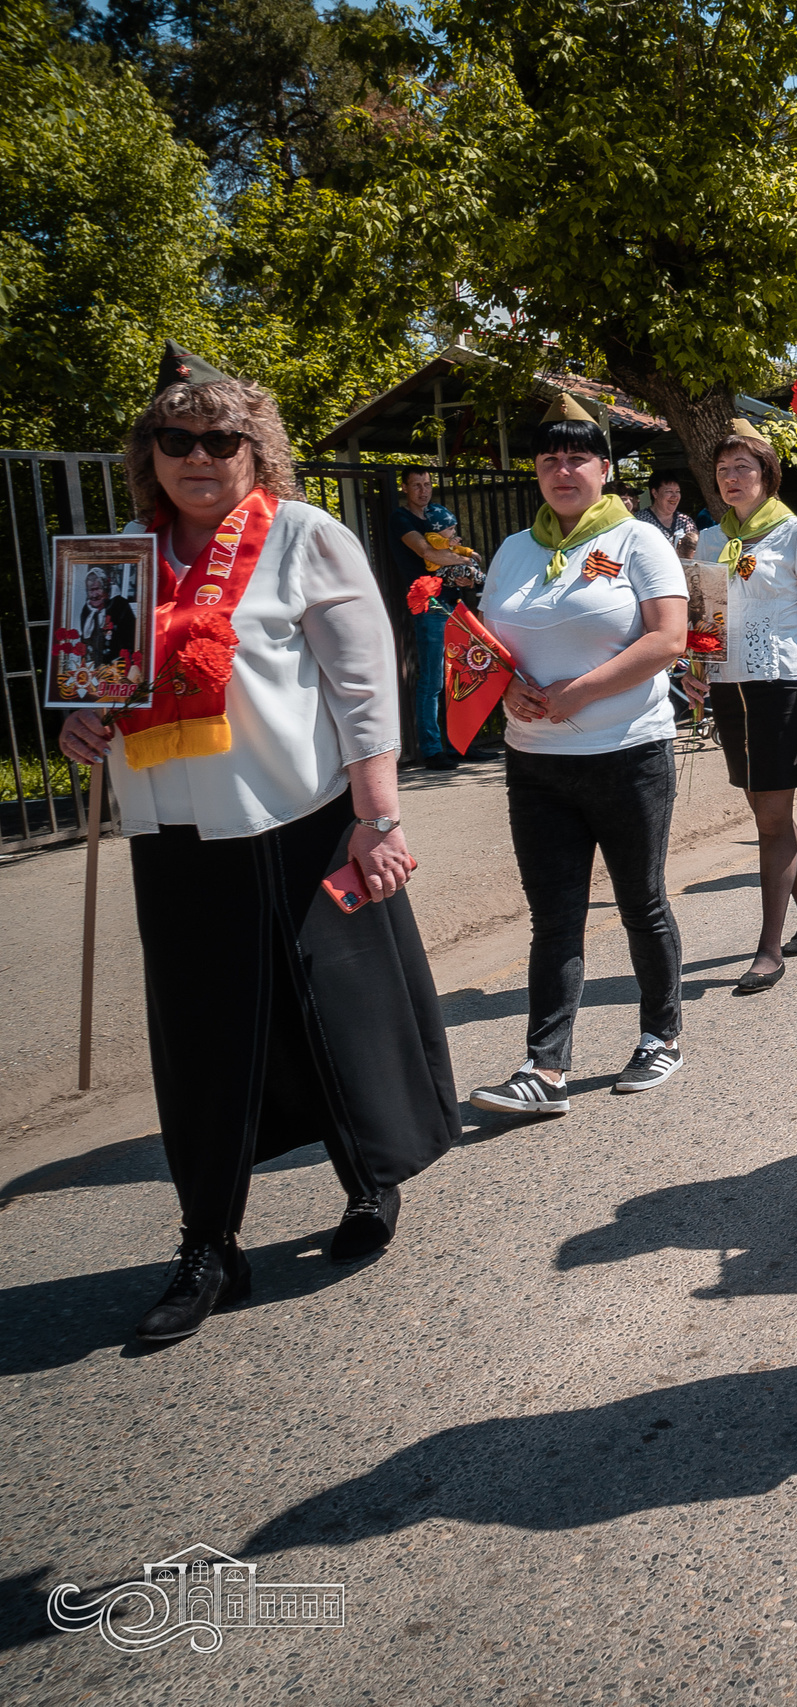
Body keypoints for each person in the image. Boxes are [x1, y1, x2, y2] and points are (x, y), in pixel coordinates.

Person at [58, 342, 456, 1339]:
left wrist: (378, 819)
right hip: (175, 836)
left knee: (333, 1015)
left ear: (255, 449)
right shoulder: (117, 557)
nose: (198, 456)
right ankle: (208, 1244)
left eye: (220, 439)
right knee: (199, 1045)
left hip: (308, 823)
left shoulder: (305, 538)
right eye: (176, 440)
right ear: (149, 453)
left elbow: (364, 692)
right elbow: (97, 683)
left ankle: (370, 1178)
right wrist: (77, 726)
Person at [467, 395, 692, 1116]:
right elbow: (493, 647)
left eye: (577, 457)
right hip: (535, 762)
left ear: (603, 468)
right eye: (549, 458)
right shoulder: (512, 550)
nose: (563, 470)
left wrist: (577, 692)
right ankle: (545, 1068)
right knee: (553, 917)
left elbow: (668, 640)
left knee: (641, 903)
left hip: (627, 753)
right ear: (535, 470)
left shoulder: (638, 542)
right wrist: (508, 695)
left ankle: (661, 1034)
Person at [691, 419, 797, 993]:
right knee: (765, 807)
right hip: (729, 689)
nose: (732, 479)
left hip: (783, 684)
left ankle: (768, 947)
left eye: (743, 468)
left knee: (772, 818)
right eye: (722, 470)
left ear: (767, 474)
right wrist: (695, 672)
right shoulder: (711, 541)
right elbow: (705, 624)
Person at [391, 469, 480, 769]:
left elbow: (448, 553)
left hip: (452, 600)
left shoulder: (438, 517)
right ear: (404, 488)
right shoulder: (401, 519)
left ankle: (460, 744)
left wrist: (465, 575)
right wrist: (466, 559)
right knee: (432, 680)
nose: (423, 491)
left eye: (427, 485)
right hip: (427, 602)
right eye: (416, 485)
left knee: (460, 675)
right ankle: (431, 750)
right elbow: (428, 552)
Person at [633, 470, 700, 564]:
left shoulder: (686, 522)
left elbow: (696, 551)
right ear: (655, 493)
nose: (674, 496)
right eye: (669, 491)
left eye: (677, 491)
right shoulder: (639, 521)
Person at [75, 567, 137, 667]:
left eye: (97, 589)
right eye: (90, 590)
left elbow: (131, 641)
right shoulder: (86, 611)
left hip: (119, 667)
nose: (94, 595)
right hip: (96, 668)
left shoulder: (120, 605)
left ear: (106, 588)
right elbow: (85, 642)